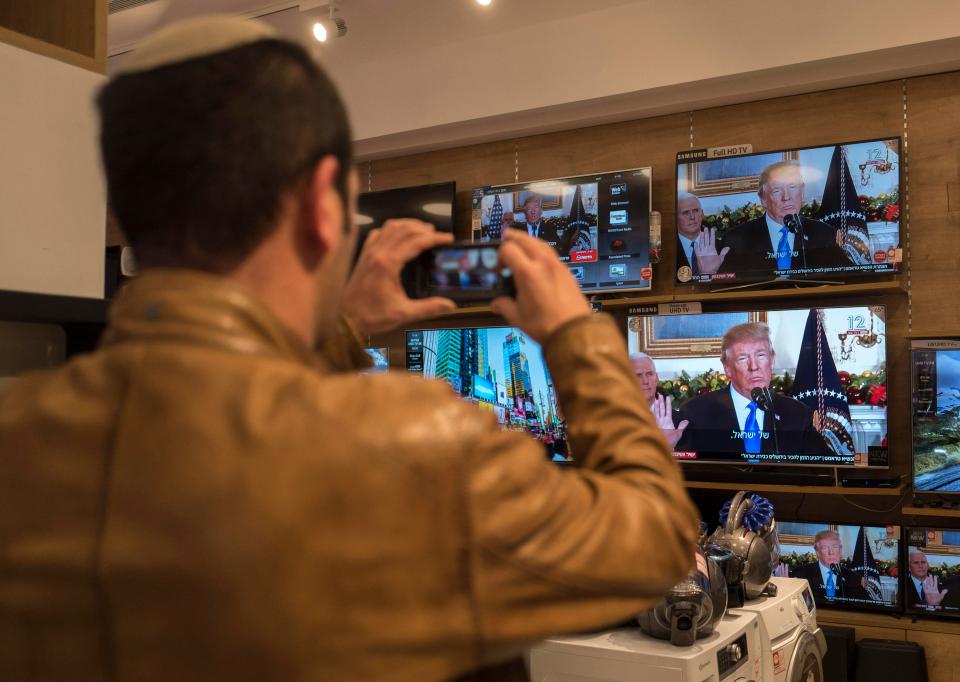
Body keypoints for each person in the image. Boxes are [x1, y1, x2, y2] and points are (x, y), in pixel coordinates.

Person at [0, 16, 700, 682]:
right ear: (321, 208)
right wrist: (579, 336)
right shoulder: (420, 446)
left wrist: (341, 329)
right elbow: (656, 541)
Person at [676, 322, 830, 457]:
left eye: (761, 355)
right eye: (743, 358)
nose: (754, 366)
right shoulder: (696, 413)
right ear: (727, 368)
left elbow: (826, 470)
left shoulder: (797, 413)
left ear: (771, 361)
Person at [719, 160, 848, 277]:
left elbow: (847, 279)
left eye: (792, 187)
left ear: (802, 191)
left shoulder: (824, 234)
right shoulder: (736, 239)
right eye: (777, 191)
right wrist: (710, 272)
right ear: (763, 199)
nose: (786, 197)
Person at [788, 530, 870, 602]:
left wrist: (866, 590)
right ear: (817, 552)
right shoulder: (800, 574)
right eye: (825, 547)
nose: (831, 552)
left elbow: (865, 606)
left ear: (840, 550)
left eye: (835, 547)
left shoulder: (853, 577)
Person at [630, 352, 688, 449]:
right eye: (638, 375)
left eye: (649, 374)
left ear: (656, 378)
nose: (645, 381)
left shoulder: (678, 421)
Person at [676, 192, 728, 277]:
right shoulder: (668, 250)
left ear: (702, 214)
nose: (692, 217)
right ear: (675, 217)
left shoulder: (720, 248)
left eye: (696, 211)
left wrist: (710, 273)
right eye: (686, 213)